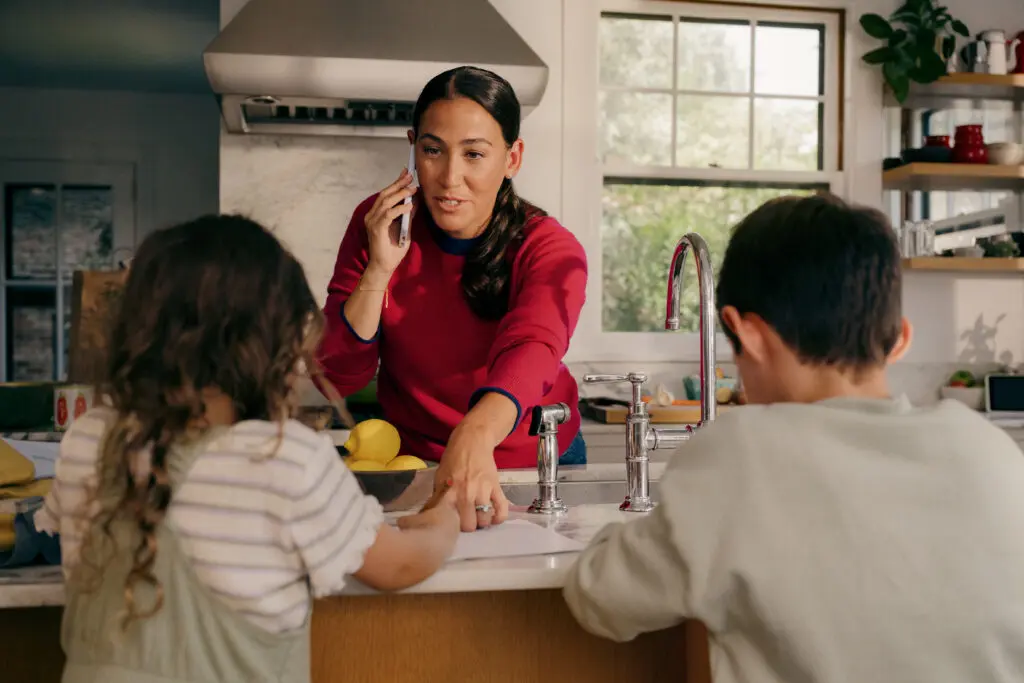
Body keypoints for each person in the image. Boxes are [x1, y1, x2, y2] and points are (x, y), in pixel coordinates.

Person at [563, 194, 1024, 683]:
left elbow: (599, 599)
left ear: (750, 335)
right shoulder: (990, 451)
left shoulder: (739, 457)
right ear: (898, 339)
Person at [35, 215, 460, 683]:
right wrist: (444, 519)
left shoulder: (87, 441)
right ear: (271, 344)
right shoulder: (283, 459)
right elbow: (400, 563)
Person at [318, 66, 588, 532]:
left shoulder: (547, 247)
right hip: (415, 463)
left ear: (512, 157)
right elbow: (338, 375)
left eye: (474, 154)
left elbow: (533, 347)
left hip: (531, 461)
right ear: (412, 147)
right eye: (432, 150)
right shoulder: (378, 222)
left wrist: (473, 435)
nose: (449, 177)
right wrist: (380, 269)